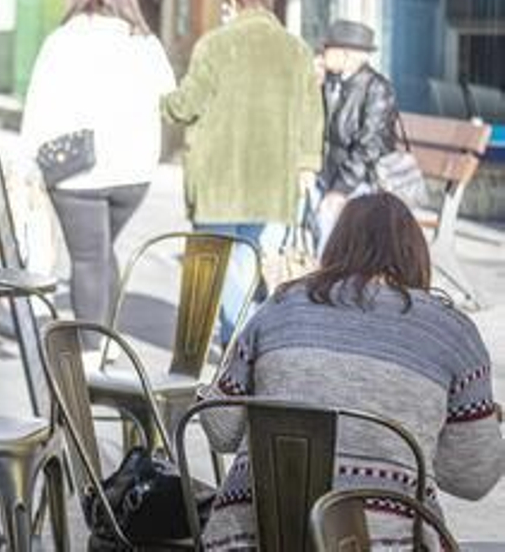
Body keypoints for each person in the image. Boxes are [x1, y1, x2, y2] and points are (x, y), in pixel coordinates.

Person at [197, 193, 505, 548]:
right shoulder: (453, 330)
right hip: (385, 542)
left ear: (337, 244)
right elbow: (473, 478)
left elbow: (221, 431)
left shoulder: (279, 307)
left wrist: (211, 390)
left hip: (255, 538)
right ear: (415, 253)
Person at [162, 0, 323, 343]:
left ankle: (238, 339)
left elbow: (186, 105)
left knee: (208, 269)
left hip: (219, 183)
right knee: (246, 265)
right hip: (272, 184)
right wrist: (307, 165)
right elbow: (312, 116)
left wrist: (160, 101)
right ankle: (240, 344)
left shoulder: (216, 45)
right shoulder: (297, 50)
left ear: (233, 3)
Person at [22, 0, 175, 329]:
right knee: (103, 251)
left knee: (88, 258)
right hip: (133, 173)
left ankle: (91, 352)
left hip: (76, 174)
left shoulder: (63, 40)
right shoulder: (145, 42)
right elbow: (169, 97)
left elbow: (38, 105)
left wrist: (28, 166)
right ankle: (106, 342)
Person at [316, 19, 398, 243]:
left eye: (328, 48)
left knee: (328, 221)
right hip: (326, 175)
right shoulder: (330, 82)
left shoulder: (376, 88)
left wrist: (339, 190)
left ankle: (330, 275)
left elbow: (369, 147)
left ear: (347, 54)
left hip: (359, 181)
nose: (322, 53)